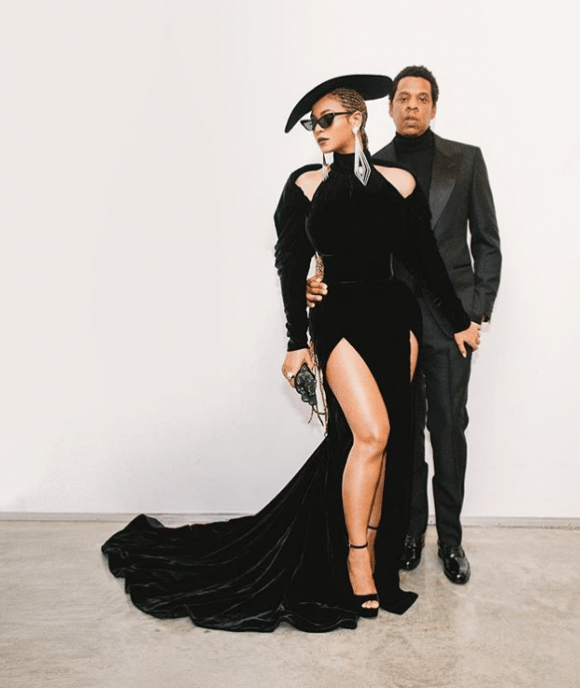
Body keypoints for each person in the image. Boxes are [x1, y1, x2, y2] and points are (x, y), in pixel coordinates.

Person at [101, 74, 478, 633]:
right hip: (338, 318)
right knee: (371, 434)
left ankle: (374, 556)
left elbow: (425, 260)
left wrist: (459, 322)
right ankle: (355, 559)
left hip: (394, 320)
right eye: (311, 123)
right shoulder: (304, 185)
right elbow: (289, 265)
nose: (317, 130)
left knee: (386, 442)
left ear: (356, 119)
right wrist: (296, 340)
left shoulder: (399, 183)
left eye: (326, 119)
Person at [307, 66, 501, 584]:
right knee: (399, 435)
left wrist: (474, 314)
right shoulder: (372, 168)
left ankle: (451, 541)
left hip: (451, 325)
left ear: (434, 107)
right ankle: (408, 533)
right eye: (403, 98)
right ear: (388, 108)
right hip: (390, 323)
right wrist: (314, 282)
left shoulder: (466, 160)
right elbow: (340, 242)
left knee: (448, 430)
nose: (412, 105)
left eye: (422, 98)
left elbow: (487, 243)